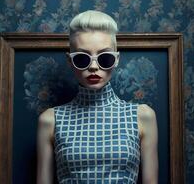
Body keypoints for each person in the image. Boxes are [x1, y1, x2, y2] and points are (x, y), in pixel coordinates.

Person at [36, 10, 158, 184]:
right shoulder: (50, 120)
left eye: (105, 58)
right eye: (82, 59)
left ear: (116, 59)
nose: (93, 67)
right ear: (70, 61)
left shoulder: (142, 116)